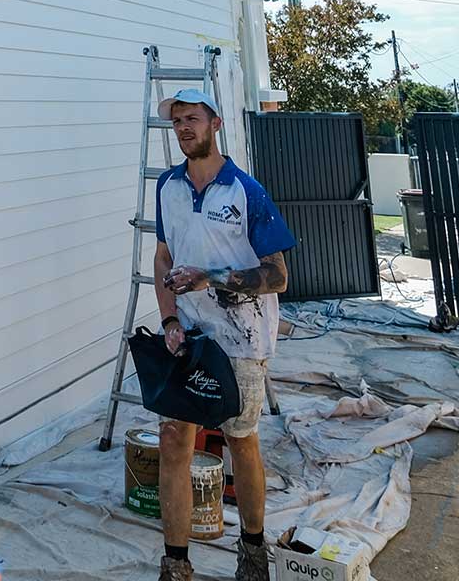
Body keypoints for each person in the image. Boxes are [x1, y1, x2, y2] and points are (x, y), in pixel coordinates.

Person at [151, 87, 297, 581]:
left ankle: (252, 552)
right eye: (177, 122)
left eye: (193, 119)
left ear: (215, 124)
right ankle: (176, 563)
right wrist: (170, 319)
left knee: (240, 439)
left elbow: (277, 276)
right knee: (174, 438)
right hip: (189, 336)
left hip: (241, 337)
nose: (184, 128)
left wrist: (210, 277)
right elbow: (164, 257)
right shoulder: (168, 187)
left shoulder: (245, 191)